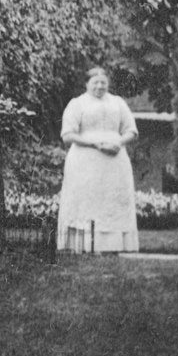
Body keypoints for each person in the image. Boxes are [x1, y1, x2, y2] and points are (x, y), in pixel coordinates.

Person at [57, 65, 139, 253]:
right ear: (87, 84)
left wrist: (118, 142)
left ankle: (113, 246)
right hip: (85, 162)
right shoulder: (77, 104)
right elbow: (68, 135)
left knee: (112, 201)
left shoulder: (118, 103)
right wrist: (94, 144)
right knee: (86, 200)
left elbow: (132, 130)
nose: (100, 87)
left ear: (108, 84)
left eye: (103, 83)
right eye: (95, 83)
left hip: (115, 161)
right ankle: (84, 245)